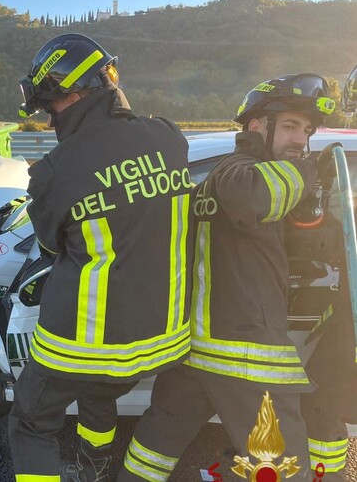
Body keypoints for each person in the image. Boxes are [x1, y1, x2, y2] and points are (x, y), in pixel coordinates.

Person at [117, 74, 337, 481]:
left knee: (156, 444)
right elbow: (253, 195)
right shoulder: (240, 170)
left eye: (307, 131)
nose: (300, 140)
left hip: (197, 351)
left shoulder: (215, 180)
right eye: (291, 126)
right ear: (256, 125)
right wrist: (308, 172)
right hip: (244, 355)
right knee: (281, 468)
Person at [9, 33, 193, 482]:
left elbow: (51, 246)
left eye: (50, 105)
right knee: (99, 393)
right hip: (159, 341)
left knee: (32, 423)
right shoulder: (169, 138)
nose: (50, 116)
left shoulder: (55, 170)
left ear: (71, 95)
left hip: (80, 343)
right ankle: (93, 466)